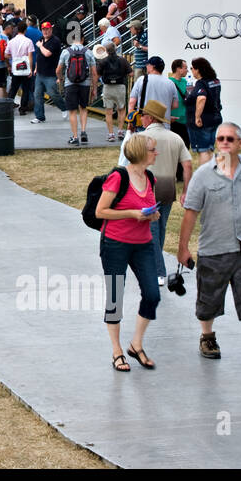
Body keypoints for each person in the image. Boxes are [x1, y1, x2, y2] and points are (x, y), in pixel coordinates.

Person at [177, 122, 241, 372]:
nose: (224, 142)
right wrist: (183, 248)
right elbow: (190, 213)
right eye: (220, 138)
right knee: (208, 301)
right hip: (214, 249)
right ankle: (207, 335)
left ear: (240, 144)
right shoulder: (203, 174)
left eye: (230, 139)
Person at [96, 134, 162, 372]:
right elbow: (100, 211)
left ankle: (136, 344)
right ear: (141, 152)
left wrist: (152, 215)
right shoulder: (118, 177)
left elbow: (147, 207)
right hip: (115, 243)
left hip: (143, 243)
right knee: (115, 297)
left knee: (153, 295)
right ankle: (117, 351)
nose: (156, 153)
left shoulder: (150, 177)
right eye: (153, 149)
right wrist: (132, 214)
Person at [119, 100, 192, 286]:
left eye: (143, 115)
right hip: (168, 188)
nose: (141, 118)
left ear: (150, 118)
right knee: (160, 228)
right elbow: (187, 165)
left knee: (151, 231)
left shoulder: (141, 138)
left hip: (147, 188)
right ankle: (155, 266)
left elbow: (128, 165)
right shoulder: (176, 138)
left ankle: (158, 272)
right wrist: (185, 190)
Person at [56, 36, 97, 146]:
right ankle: (83, 132)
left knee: (72, 111)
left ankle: (75, 137)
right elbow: (94, 73)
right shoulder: (88, 52)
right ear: (82, 39)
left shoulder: (66, 52)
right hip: (85, 84)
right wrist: (94, 89)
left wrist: (60, 79)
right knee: (83, 108)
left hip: (70, 84)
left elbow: (58, 70)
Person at [186, 57, 223, 164]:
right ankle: (211, 173)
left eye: (192, 68)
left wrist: (197, 117)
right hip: (215, 117)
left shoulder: (201, 83)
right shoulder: (215, 81)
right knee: (209, 149)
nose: (191, 70)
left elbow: (201, 98)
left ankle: (205, 176)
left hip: (203, 121)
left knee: (203, 150)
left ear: (198, 69)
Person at [30, 21, 65, 123]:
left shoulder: (55, 41)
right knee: (37, 95)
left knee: (53, 93)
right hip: (40, 73)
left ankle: (64, 107)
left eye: (47, 29)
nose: (45, 31)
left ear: (51, 29)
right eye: (43, 29)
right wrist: (36, 68)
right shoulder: (41, 40)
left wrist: (40, 46)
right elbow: (39, 56)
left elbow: (47, 54)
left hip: (50, 73)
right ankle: (39, 116)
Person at [98, 42, 132, 142]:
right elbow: (131, 73)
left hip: (108, 87)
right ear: (116, 49)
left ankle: (111, 134)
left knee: (108, 111)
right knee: (121, 109)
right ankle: (120, 131)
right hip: (120, 86)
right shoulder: (122, 60)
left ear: (106, 51)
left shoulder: (103, 61)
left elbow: (98, 74)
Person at [5, 23, 35, 115]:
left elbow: (6, 55)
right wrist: (30, 69)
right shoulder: (28, 41)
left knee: (13, 89)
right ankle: (22, 109)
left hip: (15, 69)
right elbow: (30, 56)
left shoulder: (11, 41)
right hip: (25, 69)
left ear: (17, 30)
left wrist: (13, 57)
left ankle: (7, 109)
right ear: (25, 30)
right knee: (26, 89)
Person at [168, 59, 190, 145]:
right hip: (174, 120)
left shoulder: (185, 81)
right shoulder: (169, 82)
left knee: (186, 145)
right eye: (185, 68)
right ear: (178, 69)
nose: (187, 70)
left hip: (185, 119)